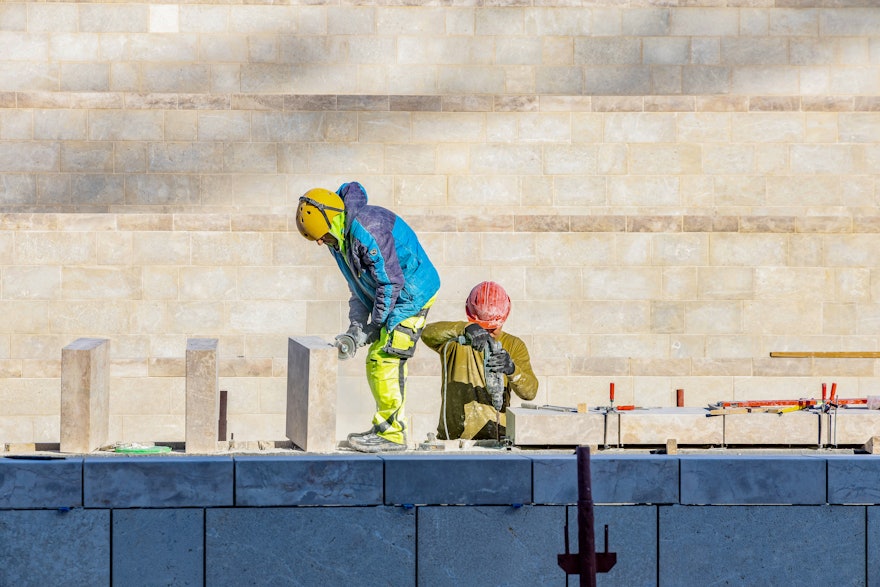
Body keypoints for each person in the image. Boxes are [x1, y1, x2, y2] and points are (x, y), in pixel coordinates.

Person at [295, 181, 440, 453]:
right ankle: (383, 427)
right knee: (378, 357)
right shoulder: (338, 238)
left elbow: (390, 283)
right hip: (395, 292)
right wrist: (356, 327)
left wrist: (376, 324)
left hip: (412, 293)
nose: (318, 242)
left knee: (385, 357)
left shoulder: (367, 229)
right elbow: (358, 287)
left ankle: (393, 434)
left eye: (320, 236)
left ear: (331, 219)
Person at [421, 281, 538, 441]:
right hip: (455, 439)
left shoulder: (514, 345)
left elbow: (530, 392)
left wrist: (512, 370)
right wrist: (465, 328)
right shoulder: (455, 342)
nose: (489, 333)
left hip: (497, 438)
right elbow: (427, 333)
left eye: (494, 328)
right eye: (484, 327)